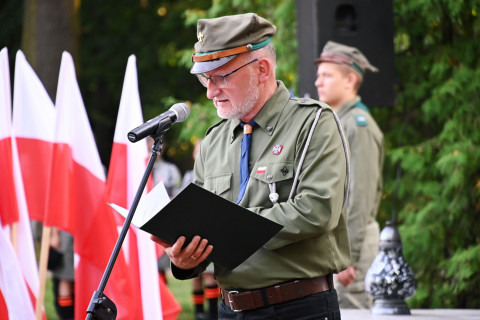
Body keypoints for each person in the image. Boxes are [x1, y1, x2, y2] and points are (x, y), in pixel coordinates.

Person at [152, 13, 350, 319]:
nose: (210, 91)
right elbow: (203, 230)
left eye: (221, 76)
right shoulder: (215, 141)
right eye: (205, 78)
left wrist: (227, 227)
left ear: (262, 69)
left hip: (297, 308)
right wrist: (186, 259)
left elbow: (318, 209)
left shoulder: (312, 123)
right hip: (229, 310)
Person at [314, 41, 384, 309]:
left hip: (351, 243)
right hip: (338, 243)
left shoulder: (358, 125)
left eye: (327, 75)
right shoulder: (338, 121)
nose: (318, 82)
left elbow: (360, 198)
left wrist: (348, 256)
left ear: (350, 79)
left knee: (351, 312)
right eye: (319, 75)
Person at [181, 139, 220, 320]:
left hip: (210, 226)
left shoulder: (217, 171)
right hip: (193, 226)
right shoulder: (189, 176)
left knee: (210, 274)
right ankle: (198, 312)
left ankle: (212, 312)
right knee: (195, 275)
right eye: (196, 150)